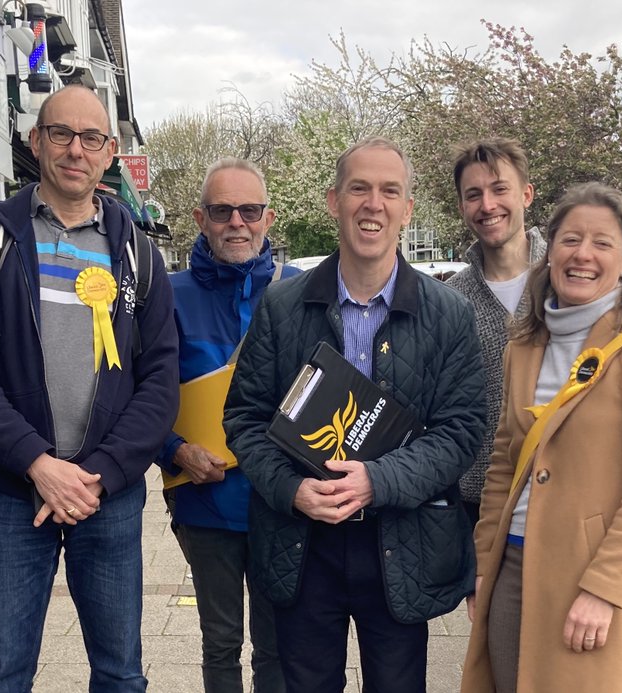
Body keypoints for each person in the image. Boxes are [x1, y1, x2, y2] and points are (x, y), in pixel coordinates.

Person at [0, 85, 179, 692]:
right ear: (35, 141)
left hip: (110, 496)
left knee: (122, 675)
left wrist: (98, 472)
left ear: (110, 152)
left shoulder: (138, 254)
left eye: (91, 138)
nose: (76, 149)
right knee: (4, 675)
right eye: (62, 134)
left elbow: (160, 380)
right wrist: (36, 464)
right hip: (14, 495)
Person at [223, 137, 485, 693]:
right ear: (333, 200)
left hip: (400, 542)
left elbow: (462, 430)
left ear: (407, 209)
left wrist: (378, 481)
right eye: (359, 188)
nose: (374, 204)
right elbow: (245, 419)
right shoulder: (281, 306)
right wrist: (292, 489)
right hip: (302, 543)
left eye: (390, 191)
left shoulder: (449, 315)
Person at [461, 182, 622, 692]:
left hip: (594, 577)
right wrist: (484, 564)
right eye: (570, 240)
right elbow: (504, 464)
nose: (582, 255)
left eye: (602, 243)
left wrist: (603, 589)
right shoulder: (524, 346)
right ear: (550, 251)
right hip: (514, 567)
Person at [158, 158, 299, 693]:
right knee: (220, 643)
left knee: (277, 647)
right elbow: (144, 396)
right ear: (200, 217)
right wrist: (174, 450)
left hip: (283, 502)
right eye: (222, 210)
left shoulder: (302, 290)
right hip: (205, 503)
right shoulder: (167, 295)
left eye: (250, 209)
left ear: (269, 216)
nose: (237, 221)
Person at [444, 137, 547, 526]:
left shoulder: (568, 281)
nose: (487, 205)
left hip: (562, 500)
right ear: (462, 207)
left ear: (526, 194)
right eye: (474, 195)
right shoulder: (451, 300)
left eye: (499, 189)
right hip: (478, 510)